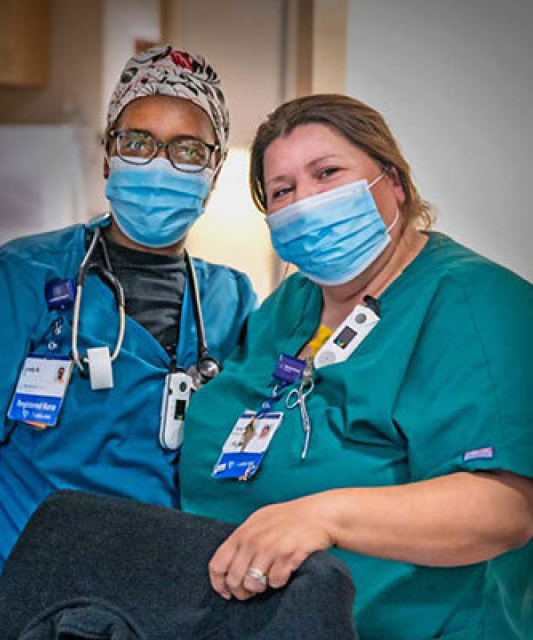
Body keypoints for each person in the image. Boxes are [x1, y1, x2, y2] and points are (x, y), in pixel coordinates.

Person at [0, 45, 256, 640]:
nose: (160, 165)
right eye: (138, 142)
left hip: (150, 612)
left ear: (214, 171)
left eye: (187, 150)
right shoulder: (23, 276)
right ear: (108, 157)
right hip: (10, 610)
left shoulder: (233, 302)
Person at [180, 94, 533, 640]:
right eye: (283, 191)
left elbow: (502, 509)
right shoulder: (290, 305)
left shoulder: (475, 303)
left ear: (394, 184)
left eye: (328, 173)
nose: (306, 201)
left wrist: (321, 516)